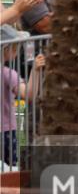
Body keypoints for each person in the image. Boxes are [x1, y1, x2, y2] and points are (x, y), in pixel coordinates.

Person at [1, 25, 44, 168]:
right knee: (9, 171)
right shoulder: (7, 74)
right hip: (5, 132)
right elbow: (29, 94)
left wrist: (35, 71)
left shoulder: (7, 74)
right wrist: (36, 71)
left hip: (6, 131)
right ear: (8, 50)